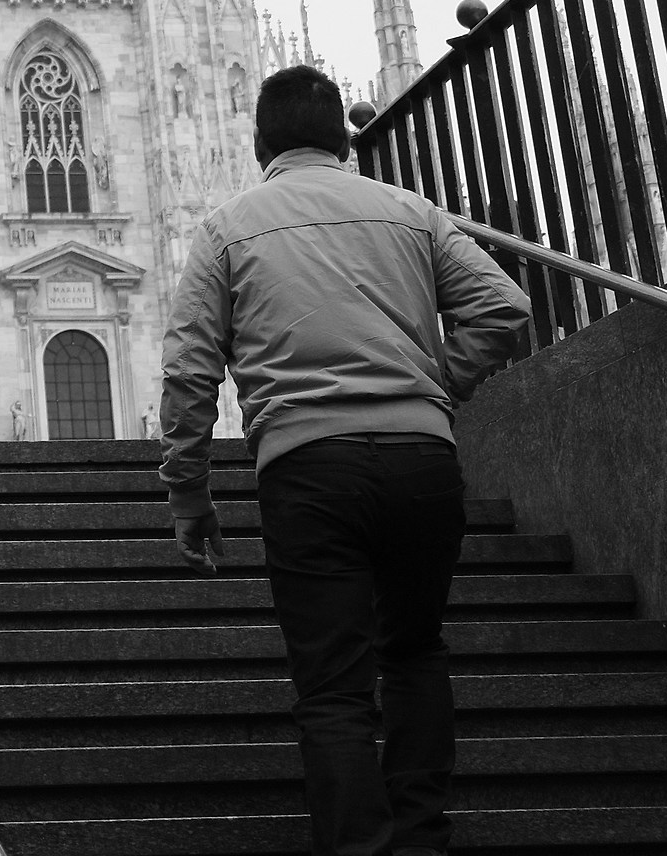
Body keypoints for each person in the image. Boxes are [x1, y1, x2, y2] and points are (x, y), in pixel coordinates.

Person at [158, 65, 529, 856]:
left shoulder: (229, 228)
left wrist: (190, 493)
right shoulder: (409, 210)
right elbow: (504, 307)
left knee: (332, 684)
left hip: (308, 466)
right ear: (345, 140)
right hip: (421, 462)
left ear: (260, 144)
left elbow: (190, 371)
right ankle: (421, 837)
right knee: (416, 650)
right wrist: (436, 385)